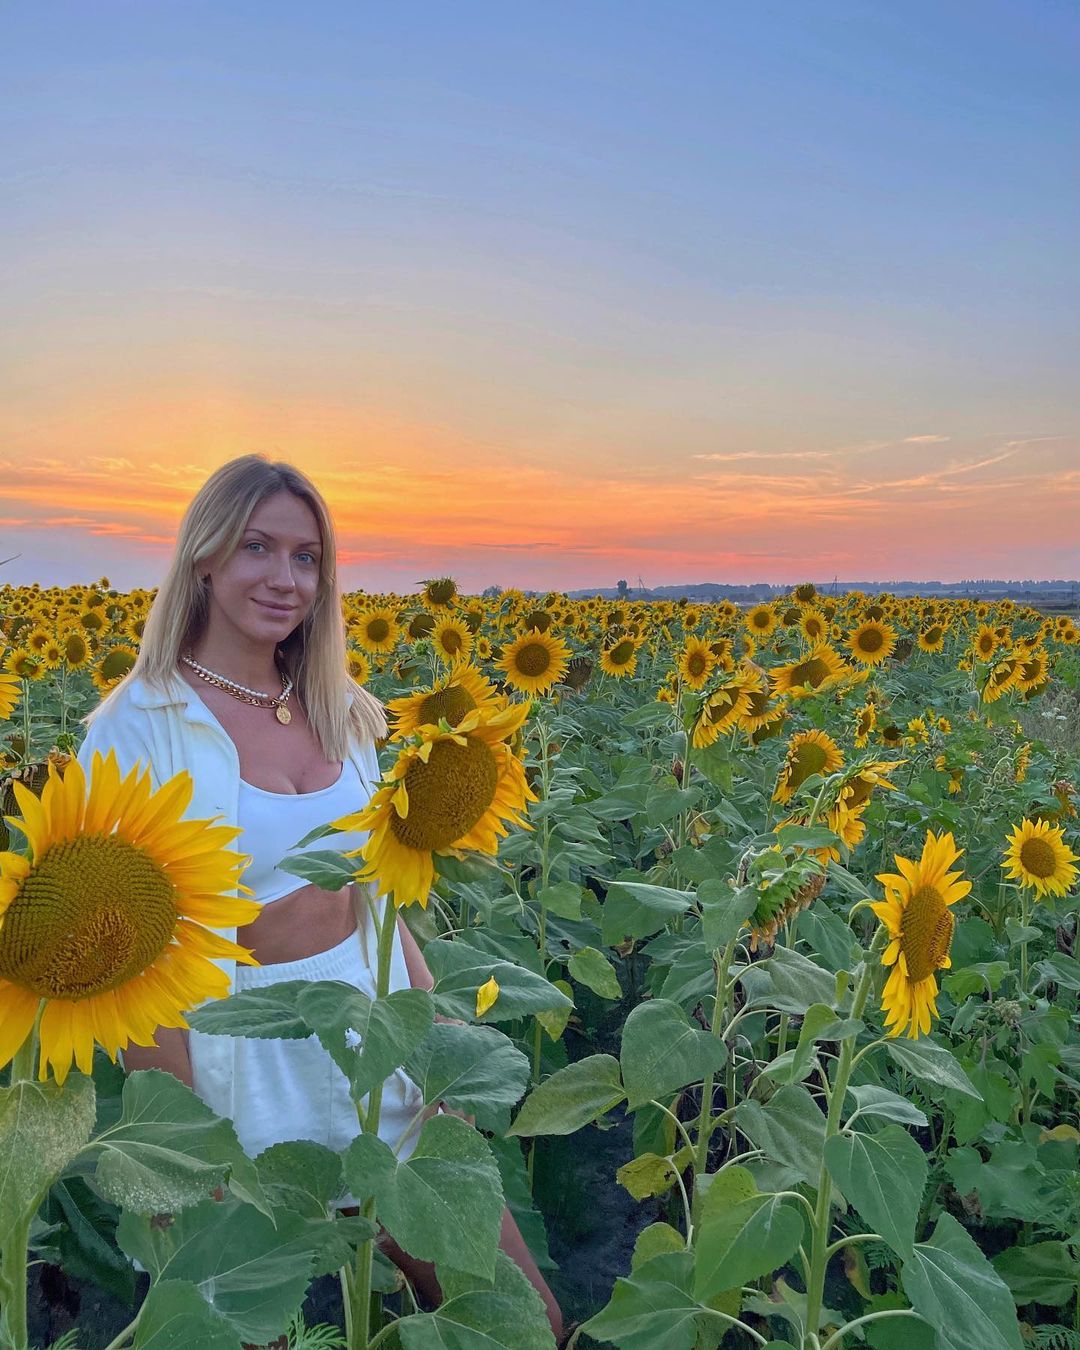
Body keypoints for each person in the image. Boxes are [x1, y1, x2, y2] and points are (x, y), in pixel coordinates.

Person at [76, 454, 563, 1340]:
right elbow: (127, 966)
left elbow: (381, 901)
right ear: (205, 557)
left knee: (516, 1318)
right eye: (257, 547)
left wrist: (433, 1051)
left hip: (370, 1029)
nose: (285, 578)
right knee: (262, 1324)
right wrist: (188, 1153)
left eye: (306, 557)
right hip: (237, 1056)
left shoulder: (343, 710)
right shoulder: (136, 727)